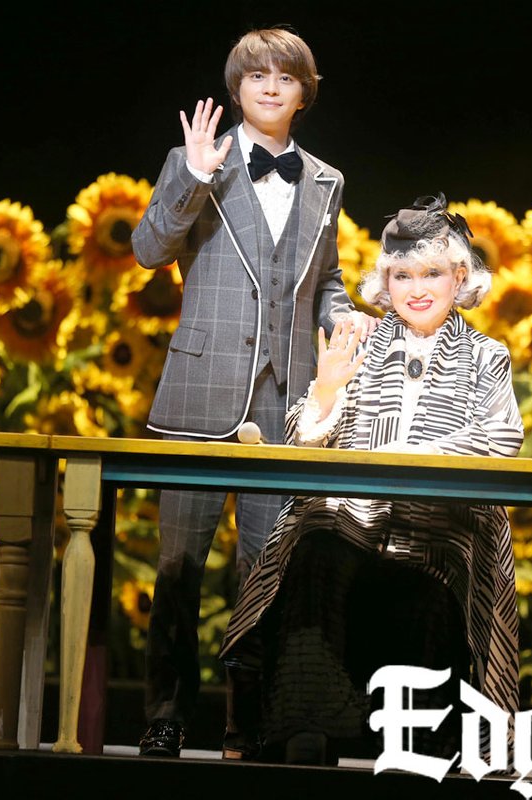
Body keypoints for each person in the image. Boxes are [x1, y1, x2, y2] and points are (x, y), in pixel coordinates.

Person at [130, 26, 374, 759]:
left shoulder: (325, 180)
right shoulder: (197, 161)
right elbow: (148, 250)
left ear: (304, 95)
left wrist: (345, 320)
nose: (270, 86)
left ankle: (249, 722)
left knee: (266, 574)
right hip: (200, 396)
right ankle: (166, 718)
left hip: (285, 404)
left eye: (285, 77)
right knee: (178, 572)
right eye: (257, 75)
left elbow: (325, 280)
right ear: (236, 89)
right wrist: (193, 176)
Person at [219, 193, 525, 766]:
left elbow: (500, 439)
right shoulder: (359, 342)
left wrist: (405, 457)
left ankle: (415, 751)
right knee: (314, 552)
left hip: (431, 547)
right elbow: (303, 443)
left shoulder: (487, 356)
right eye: (402, 275)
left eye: (432, 273)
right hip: (347, 535)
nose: (417, 288)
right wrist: (327, 389)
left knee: (428, 596)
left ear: (460, 278)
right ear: (386, 282)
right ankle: (305, 738)